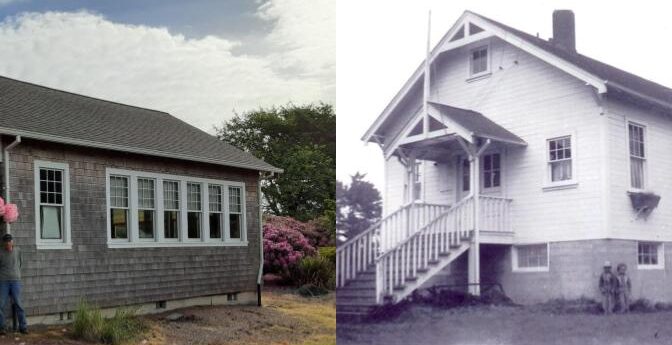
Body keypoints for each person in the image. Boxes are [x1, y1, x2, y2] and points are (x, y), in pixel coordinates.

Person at [0, 234, 26, 334]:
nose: (8, 244)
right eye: (6, 242)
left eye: (9, 241)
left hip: (16, 281)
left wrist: (17, 274)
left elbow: (20, 263)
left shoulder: (18, 250)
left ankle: (23, 327)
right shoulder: (1, 252)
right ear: (3, 243)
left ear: (12, 242)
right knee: (0, 305)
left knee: (19, 304)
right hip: (3, 281)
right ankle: (2, 327)